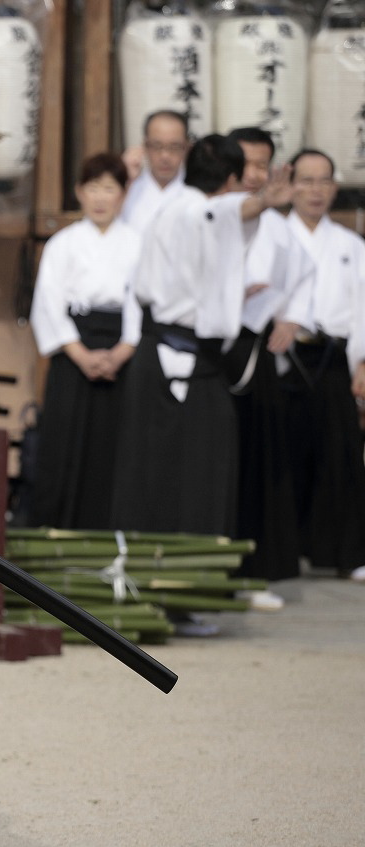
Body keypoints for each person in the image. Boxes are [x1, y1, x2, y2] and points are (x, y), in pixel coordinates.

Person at [111, 134, 292, 541]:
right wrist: (263, 201)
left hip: (161, 354)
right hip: (179, 356)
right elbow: (222, 213)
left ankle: (147, 563)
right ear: (230, 179)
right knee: (196, 468)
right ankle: (180, 568)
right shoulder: (198, 210)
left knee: (154, 466)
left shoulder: (169, 210)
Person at [223, 127, 315, 604]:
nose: (254, 174)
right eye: (246, 164)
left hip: (254, 354)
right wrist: (229, 294)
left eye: (263, 165)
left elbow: (305, 274)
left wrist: (292, 318)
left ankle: (252, 570)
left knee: (256, 462)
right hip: (209, 353)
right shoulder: (210, 212)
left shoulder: (278, 226)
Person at [28, 152, 141, 529]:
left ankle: (112, 529)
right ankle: (57, 529)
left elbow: (142, 302)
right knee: (65, 440)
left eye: (109, 188)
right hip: (73, 349)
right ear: (79, 192)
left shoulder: (138, 243)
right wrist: (80, 354)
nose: (100, 198)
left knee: (116, 443)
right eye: (93, 188)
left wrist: (123, 351)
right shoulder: (63, 243)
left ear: (124, 194)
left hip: (122, 350)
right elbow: (48, 303)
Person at [281, 149, 365, 582]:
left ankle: (345, 554)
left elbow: (362, 310)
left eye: (324, 181)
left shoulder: (351, 245)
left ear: (335, 187)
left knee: (340, 456)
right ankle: (285, 551)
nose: (316, 191)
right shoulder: (275, 235)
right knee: (284, 454)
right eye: (307, 180)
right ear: (290, 185)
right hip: (285, 355)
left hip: (333, 356)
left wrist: (362, 362)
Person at [120, 110, 189, 234]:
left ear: (186, 147)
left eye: (174, 147)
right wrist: (124, 180)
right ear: (145, 146)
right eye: (157, 146)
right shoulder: (129, 188)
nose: (165, 156)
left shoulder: (197, 192)